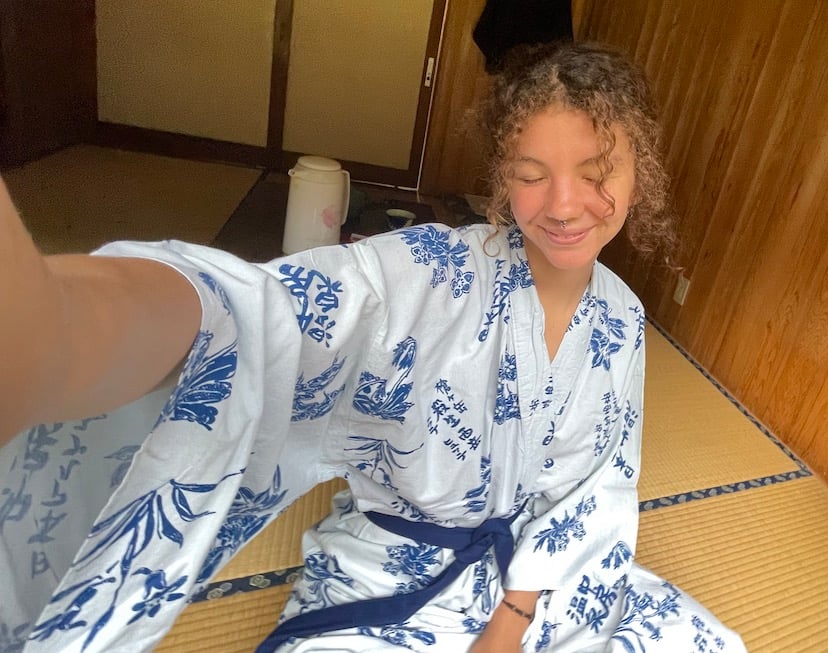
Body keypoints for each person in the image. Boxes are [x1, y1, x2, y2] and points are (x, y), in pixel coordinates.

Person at [0, 42, 746, 652]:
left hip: (545, 592)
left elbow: (595, 495)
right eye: (530, 174)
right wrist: (66, 328)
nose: (562, 205)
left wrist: (507, 629)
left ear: (638, 171)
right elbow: (278, 315)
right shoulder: (431, 271)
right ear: (500, 181)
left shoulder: (621, 320)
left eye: (596, 174)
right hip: (391, 580)